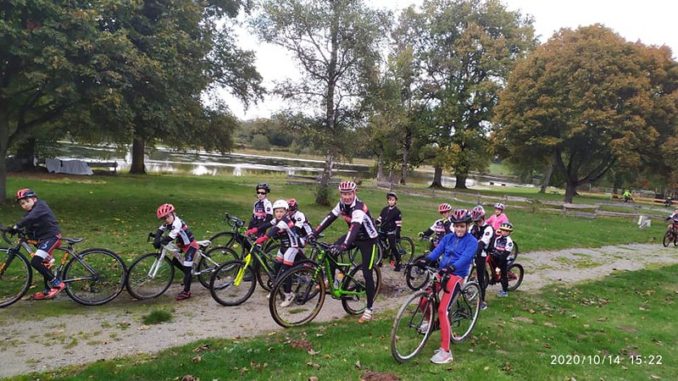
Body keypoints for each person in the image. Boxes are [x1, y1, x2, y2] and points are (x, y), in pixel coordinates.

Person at [309, 180, 379, 323]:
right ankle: (333, 281)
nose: (346, 197)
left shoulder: (359, 208)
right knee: (330, 250)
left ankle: (369, 309)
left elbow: (354, 227)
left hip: (368, 240)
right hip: (353, 236)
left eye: (349, 194)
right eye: (343, 194)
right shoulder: (341, 204)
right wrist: (314, 233)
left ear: (355, 193)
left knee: (367, 272)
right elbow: (329, 218)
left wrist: (345, 245)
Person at [418, 209, 477, 364]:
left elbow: (465, 258)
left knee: (443, 310)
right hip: (442, 272)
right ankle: (431, 323)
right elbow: (437, 251)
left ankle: (446, 351)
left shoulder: (472, 241)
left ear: (468, 226)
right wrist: (426, 259)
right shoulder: (448, 237)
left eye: (462, 226)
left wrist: (452, 267)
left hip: (456, 276)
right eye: (457, 226)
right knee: (424, 300)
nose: (459, 229)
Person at [11, 188, 65, 300]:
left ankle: (57, 284)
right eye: (22, 203)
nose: (25, 205)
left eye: (27, 201)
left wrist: (17, 225)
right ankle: (47, 291)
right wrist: (17, 230)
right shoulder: (30, 212)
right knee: (44, 263)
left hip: (52, 237)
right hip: (44, 239)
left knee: (36, 262)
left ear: (34, 199)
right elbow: (29, 225)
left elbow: (31, 218)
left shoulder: (41, 206)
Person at [248, 200, 304, 307]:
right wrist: (254, 229)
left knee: (285, 271)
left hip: (292, 247)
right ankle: (277, 289)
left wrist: (264, 238)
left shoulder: (285, 221)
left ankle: (289, 295)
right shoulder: (277, 219)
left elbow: (273, 230)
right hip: (283, 247)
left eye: (281, 211)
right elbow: (267, 224)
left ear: (286, 212)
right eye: (277, 211)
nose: (279, 213)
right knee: (276, 267)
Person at [154, 203, 199, 301]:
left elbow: (171, 236)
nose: (166, 220)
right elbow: (160, 230)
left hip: (191, 246)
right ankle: (189, 275)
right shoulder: (168, 222)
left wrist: (161, 241)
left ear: (173, 214)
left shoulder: (177, 223)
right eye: (164, 218)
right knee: (175, 261)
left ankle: (187, 292)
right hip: (182, 245)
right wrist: (157, 238)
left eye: (168, 217)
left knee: (187, 267)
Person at [469, 205, 494, 310]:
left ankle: (482, 301)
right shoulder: (473, 227)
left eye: (478, 221)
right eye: (475, 221)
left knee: (480, 277)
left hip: (482, 254)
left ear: (483, 218)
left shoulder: (488, 229)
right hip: (470, 252)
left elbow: (482, 243)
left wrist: (474, 251)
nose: (477, 223)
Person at [376, 191, 403, 271]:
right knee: (379, 244)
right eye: (390, 200)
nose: (391, 201)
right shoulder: (384, 209)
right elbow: (379, 219)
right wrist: (374, 223)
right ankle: (379, 261)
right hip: (383, 230)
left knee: (393, 246)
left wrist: (397, 234)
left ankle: (399, 262)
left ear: (395, 201)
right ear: (388, 200)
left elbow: (398, 224)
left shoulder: (397, 212)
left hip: (391, 231)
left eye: (393, 200)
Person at [492, 222, 515, 298]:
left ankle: (505, 291)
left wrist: (500, 262)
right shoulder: (498, 238)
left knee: (503, 275)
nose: (504, 232)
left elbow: (506, 252)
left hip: (503, 259)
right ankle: (494, 278)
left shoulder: (509, 241)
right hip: (496, 257)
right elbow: (494, 248)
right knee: (494, 269)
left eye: (506, 231)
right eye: (503, 230)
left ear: (509, 232)